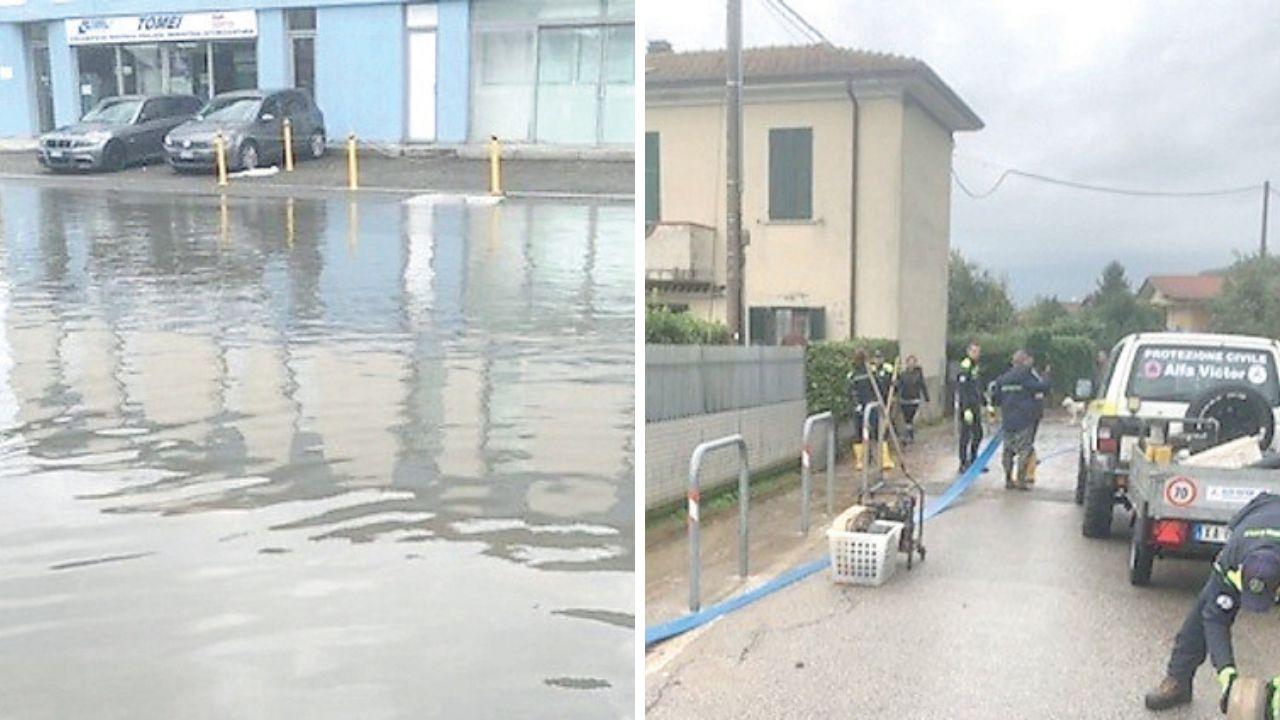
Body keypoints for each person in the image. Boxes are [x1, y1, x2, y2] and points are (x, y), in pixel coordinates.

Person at [1144, 492, 1280, 713]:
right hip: (1257, 513)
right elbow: (1215, 618)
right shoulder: (1232, 558)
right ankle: (1178, 679)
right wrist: (1227, 677)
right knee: (1204, 609)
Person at [991, 350, 1051, 490]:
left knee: (1008, 450)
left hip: (1008, 421)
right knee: (1024, 450)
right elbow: (1043, 388)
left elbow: (995, 399)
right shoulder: (1026, 376)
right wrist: (1047, 375)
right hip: (1024, 420)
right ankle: (1021, 480)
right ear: (1024, 362)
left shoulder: (1003, 379)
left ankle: (1008, 478)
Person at [955, 342, 987, 472]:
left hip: (975, 404)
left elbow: (977, 386)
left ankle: (974, 460)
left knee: (978, 434)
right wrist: (965, 408)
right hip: (967, 406)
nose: (976, 354)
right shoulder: (965, 366)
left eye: (978, 351)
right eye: (974, 351)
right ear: (968, 352)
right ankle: (963, 463)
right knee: (965, 435)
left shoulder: (976, 366)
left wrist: (985, 402)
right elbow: (962, 389)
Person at [847, 349, 874, 471]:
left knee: (861, 432)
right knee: (864, 431)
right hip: (864, 405)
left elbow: (850, 391)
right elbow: (851, 391)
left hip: (866, 406)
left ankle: (863, 458)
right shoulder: (857, 374)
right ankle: (864, 457)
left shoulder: (863, 373)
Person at [897, 355, 930, 444]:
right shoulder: (903, 374)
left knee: (912, 418)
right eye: (909, 362)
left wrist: (926, 397)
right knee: (907, 419)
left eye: (913, 362)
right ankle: (909, 436)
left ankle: (909, 435)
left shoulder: (918, 374)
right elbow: (899, 385)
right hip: (904, 400)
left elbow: (922, 385)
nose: (911, 364)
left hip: (914, 399)